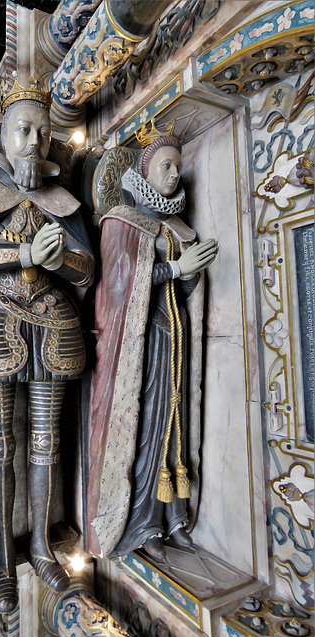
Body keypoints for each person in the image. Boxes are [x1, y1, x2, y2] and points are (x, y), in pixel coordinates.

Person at [0, 77, 94, 612]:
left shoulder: (63, 200)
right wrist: (21, 254)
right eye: (22, 129)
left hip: (52, 322)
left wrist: (57, 261)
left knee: (47, 442)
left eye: (43, 131)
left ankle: (40, 548)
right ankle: (5, 560)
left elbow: (86, 269)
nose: (34, 140)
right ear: (3, 137)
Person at [87, 120, 218, 562]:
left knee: (175, 424)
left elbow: (180, 292)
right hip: (139, 348)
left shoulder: (176, 229)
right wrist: (179, 269)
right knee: (146, 430)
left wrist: (190, 273)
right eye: (165, 166)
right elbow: (120, 290)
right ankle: (143, 524)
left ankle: (174, 518)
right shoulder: (122, 222)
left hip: (174, 338)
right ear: (143, 173)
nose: (173, 175)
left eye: (177, 168)